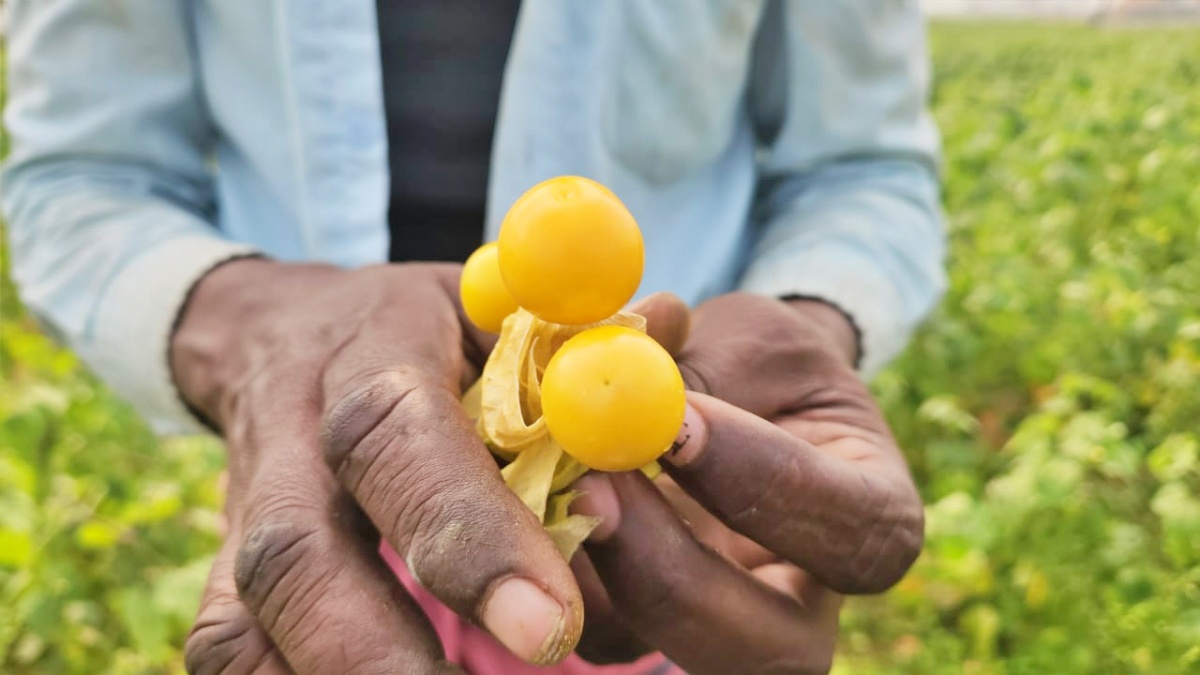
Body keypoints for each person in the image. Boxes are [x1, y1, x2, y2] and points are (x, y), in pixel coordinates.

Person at [3, 1, 946, 673]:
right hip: (313, 494)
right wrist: (255, 330)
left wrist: (799, 338)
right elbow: (82, 175)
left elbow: (857, 166)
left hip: (668, 522)